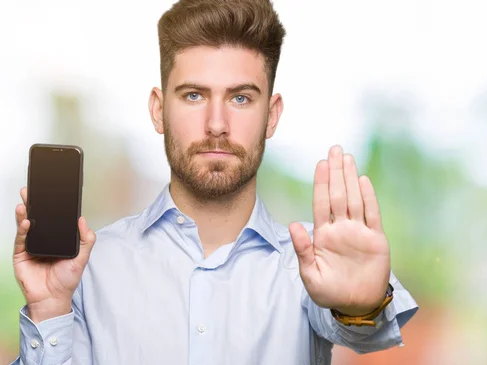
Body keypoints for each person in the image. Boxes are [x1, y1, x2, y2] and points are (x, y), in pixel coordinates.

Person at [11, 1, 418, 364]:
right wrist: (49, 311)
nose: (217, 125)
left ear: (271, 115)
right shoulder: (86, 270)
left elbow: (364, 333)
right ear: (158, 110)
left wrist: (362, 307)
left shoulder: (312, 264)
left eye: (241, 98)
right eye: (193, 96)